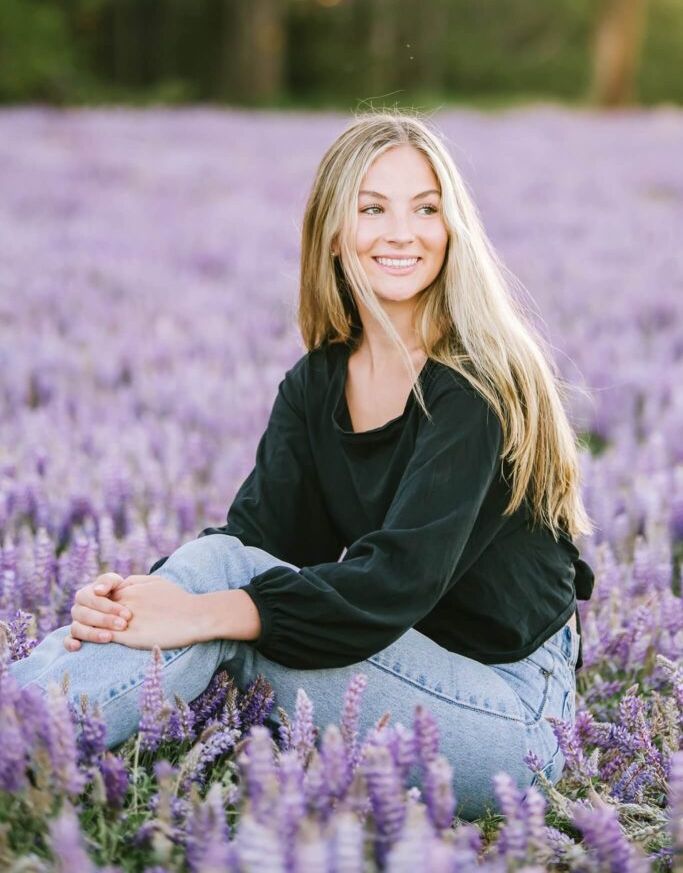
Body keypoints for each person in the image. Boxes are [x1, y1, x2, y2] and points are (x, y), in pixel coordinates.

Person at [11, 109, 595, 821]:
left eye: (426, 209)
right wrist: (134, 601)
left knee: (220, 613)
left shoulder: (476, 385)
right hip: (400, 662)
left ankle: (24, 732)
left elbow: (395, 582)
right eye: (372, 209)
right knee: (218, 576)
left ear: (454, 228)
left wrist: (193, 611)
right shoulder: (319, 381)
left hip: (511, 718)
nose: (402, 233)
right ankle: (26, 713)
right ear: (333, 232)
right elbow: (256, 540)